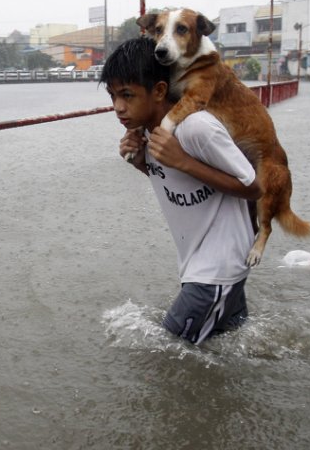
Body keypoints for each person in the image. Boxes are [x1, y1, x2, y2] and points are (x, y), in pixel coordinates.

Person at [100, 37, 262, 345]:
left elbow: (253, 186)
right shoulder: (148, 132)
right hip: (204, 266)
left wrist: (184, 161)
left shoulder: (196, 127)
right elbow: (174, 180)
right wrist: (139, 162)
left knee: (167, 356)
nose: (118, 107)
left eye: (127, 95)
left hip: (216, 269)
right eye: (113, 96)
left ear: (159, 90)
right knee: (230, 352)